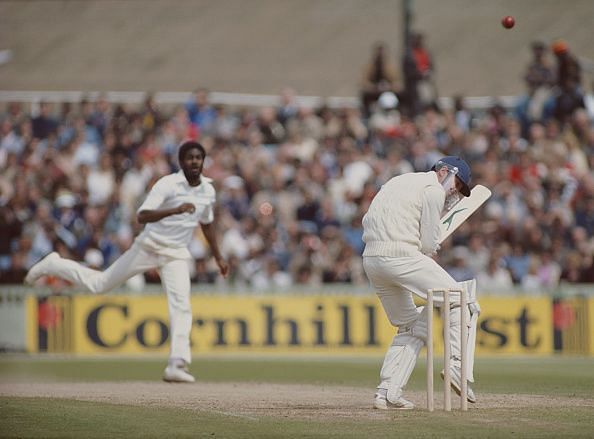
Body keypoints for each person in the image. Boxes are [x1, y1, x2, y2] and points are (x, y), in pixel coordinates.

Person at [24, 140, 229, 383]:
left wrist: (218, 256)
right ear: (181, 162)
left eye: (198, 158)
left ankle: (177, 363)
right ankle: (54, 264)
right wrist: (174, 210)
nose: (194, 162)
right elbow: (142, 215)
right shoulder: (168, 184)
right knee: (100, 284)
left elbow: (206, 223)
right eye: (189, 158)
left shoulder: (208, 190)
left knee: (181, 304)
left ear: (203, 161)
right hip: (149, 246)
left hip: (176, 253)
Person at [362, 156, 481, 410]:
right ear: (444, 171)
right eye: (456, 184)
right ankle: (457, 366)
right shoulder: (433, 191)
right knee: (461, 299)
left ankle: (387, 392)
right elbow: (428, 244)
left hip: (372, 259)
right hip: (401, 255)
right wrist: (433, 241)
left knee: (411, 326)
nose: (454, 191)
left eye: (459, 189)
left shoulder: (399, 181)